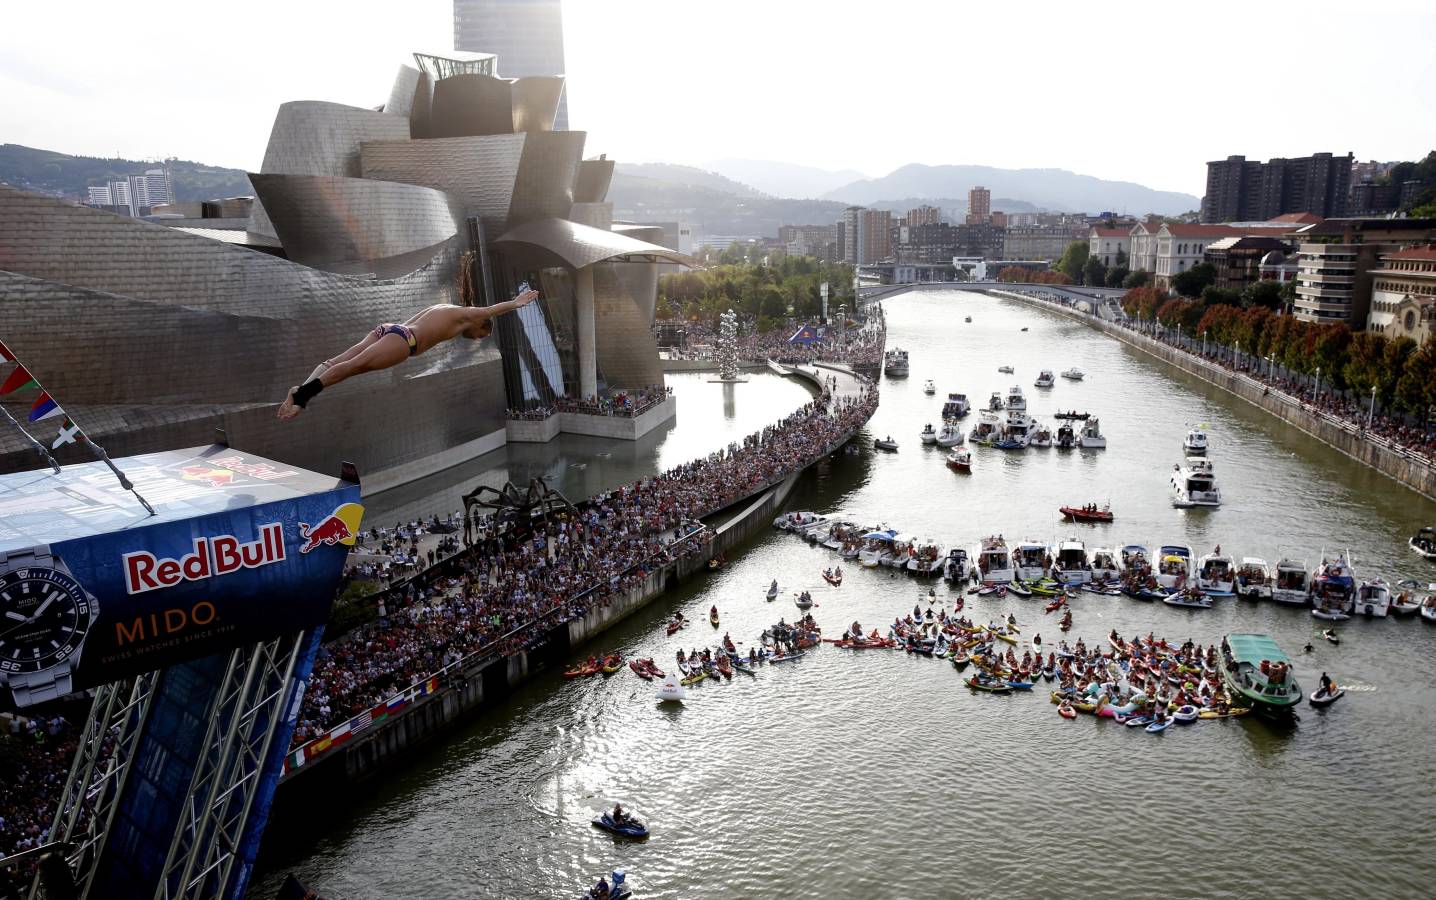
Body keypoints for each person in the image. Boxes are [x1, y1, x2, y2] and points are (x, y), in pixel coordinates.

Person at [278, 284, 540, 418]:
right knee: (352, 367)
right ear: (480, 326)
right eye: (481, 336)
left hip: (391, 330)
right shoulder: (467, 315)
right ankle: (302, 395)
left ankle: (300, 391)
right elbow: (489, 311)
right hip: (404, 342)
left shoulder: (444, 307)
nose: (475, 340)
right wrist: (515, 303)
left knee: (337, 361)